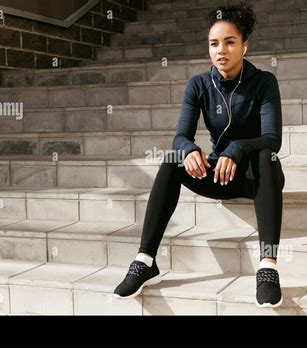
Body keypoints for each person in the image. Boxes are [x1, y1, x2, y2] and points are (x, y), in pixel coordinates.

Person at [113, 1, 285, 308]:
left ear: (244, 45)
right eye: (214, 43)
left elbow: (272, 139)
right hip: (219, 174)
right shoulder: (199, 85)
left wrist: (237, 148)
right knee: (171, 161)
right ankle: (145, 260)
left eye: (230, 42)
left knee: (266, 157)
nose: (221, 50)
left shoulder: (263, 83)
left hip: (255, 176)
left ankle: (268, 267)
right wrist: (190, 150)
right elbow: (180, 135)